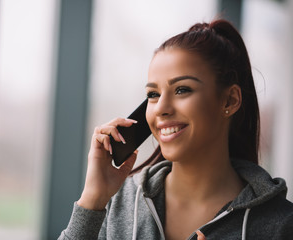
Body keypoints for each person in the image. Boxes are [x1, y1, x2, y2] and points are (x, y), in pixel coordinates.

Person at [59, 19, 293, 240]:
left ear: (230, 101)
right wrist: (92, 199)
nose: (161, 108)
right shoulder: (117, 202)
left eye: (182, 90)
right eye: (153, 94)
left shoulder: (281, 223)